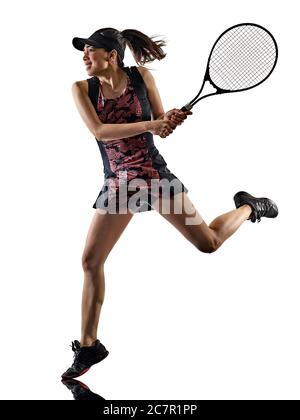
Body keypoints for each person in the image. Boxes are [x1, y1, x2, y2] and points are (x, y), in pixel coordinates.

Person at [62, 27, 278, 379]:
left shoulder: (141, 77)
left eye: (90, 51)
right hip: (119, 181)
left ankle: (250, 207)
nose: (84, 57)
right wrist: (153, 123)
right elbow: (100, 132)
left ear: (111, 55)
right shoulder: (81, 89)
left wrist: (167, 122)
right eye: (82, 52)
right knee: (90, 261)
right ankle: (89, 347)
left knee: (208, 243)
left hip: (152, 175)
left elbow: (160, 123)